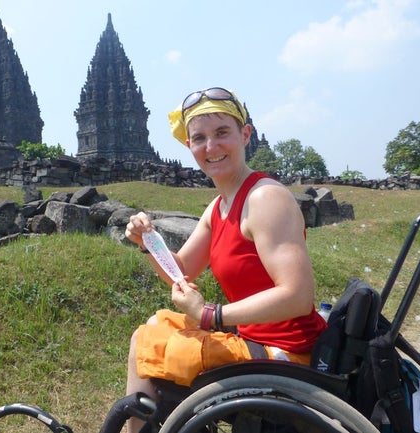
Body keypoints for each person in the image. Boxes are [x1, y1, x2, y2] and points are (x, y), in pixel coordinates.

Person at [123, 87, 327, 433]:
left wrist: (210, 314)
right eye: (199, 138)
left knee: (149, 344)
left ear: (245, 134)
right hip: (254, 337)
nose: (210, 148)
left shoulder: (265, 198)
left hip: (287, 352)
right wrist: (149, 243)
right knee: (156, 326)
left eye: (222, 134)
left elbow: (297, 296)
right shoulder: (219, 206)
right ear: (189, 146)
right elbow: (182, 270)